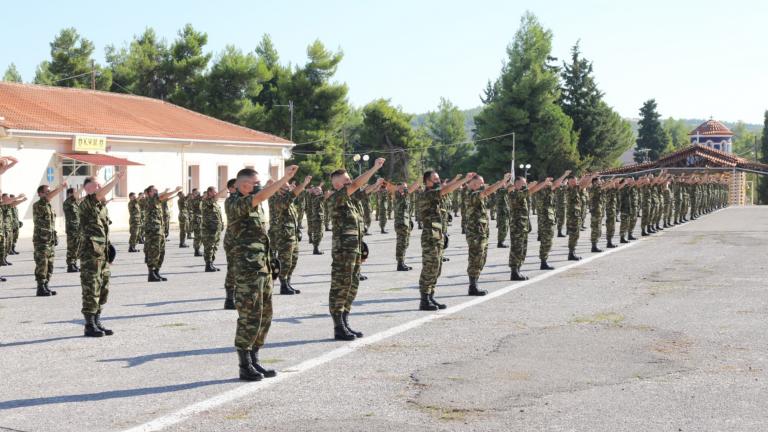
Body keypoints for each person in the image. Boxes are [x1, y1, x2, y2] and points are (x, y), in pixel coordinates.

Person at [230, 165, 298, 381]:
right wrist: (283, 179)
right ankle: (244, 365)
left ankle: (255, 359)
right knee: (249, 317)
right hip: (247, 270)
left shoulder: (256, 202)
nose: (258, 186)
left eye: (258, 183)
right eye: (255, 183)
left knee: (264, 316)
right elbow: (261, 196)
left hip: (262, 268)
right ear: (243, 185)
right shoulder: (234, 202)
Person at [328, 159, 386, 340]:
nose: (349, 182)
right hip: (343, 251)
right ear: (338, 184)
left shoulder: (351, 199)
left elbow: (364, 191)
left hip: (354, 250)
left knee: (352, 286)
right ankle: (338, 326)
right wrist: (374, 168)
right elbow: (355, 185)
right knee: (341, 287)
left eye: (349, 179)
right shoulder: (336, 198)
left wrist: (376, 184)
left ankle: (345, 322)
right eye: (346, 181)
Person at [418, 170, 475, 311]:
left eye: (438, 179)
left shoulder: (437, 195)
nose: (438, 181)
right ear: (427, 182)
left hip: (438, 236)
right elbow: (447, 188)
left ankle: (431, 296)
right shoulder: (427, 194)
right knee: (429, 268)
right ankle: (424, 300)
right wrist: (463, 180)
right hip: (430, 238)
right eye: (435, 180)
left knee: (437, 268)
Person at [80, 172, 123, 337]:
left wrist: (109, 248)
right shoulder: (86, 203)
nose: (99, 187)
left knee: (103, 288)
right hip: (90, 255)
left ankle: (97, 321)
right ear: (87, 188)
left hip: (102, 254)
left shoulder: (101, 207)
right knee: (91, 288)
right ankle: (89, 325)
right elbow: (99, 194)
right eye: (96, 184)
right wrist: (116, 180)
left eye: (100, 185)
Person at [464, 173, 511, 296]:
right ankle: (472, 286)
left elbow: (487, 194)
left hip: (481, 233)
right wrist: (502, 181)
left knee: (481, 259)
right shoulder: (471, 194)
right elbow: (487, 191)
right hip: (475, 234)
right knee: (475, 259)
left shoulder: (478, 195)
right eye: (480, 183)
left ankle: (474, 284)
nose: (483, 185)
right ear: (474, 184)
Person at [273, 175, 312, 295]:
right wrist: (303, 184)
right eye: (286, 187)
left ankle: (288, 283)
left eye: (288, 186)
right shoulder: (278, 200)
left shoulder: (288, 201)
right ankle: (283, 285)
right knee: (285, 261)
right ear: (279, 189)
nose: (289, 188)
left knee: (292, 261)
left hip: (292, 235)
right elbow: (291, 196)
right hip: (284, 237)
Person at [33, 181, 67, 296]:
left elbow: (50, 224)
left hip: (49, 240)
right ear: (40, 194)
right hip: (41, 240)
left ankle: (46, 285)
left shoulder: (49, 206)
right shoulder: (39, 205)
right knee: (42, 264)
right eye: (46, 192)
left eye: (49, 191)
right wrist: (60, 188)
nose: (49, 193)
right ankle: (40, 287)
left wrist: (54, 235)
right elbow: (49, 197)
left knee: (50, 264)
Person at [144, 185, 182, 282]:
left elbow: (164, 197)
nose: (156, 191)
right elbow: (162, 196)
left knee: (161, 252)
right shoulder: (150, 200)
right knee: (154, 252)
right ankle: (151, 274)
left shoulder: (157, 201)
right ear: (149, 193)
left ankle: (156, 272)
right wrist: (175, 190)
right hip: (153, 231)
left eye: (156, 189)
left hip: (159, 231)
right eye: (154, 190)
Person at [536, 171, 570, 270]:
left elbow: (556, 185)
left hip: (549, 219)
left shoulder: (547, 190)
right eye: (549, 181)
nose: (551, 182)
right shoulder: (542, 190)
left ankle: (544, 261)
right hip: (545, 220)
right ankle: (543, 262)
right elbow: (556, 184)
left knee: (548, 241)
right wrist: (564, 175)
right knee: (546, 242)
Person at [390, 180, 420, 271]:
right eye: (404, 187)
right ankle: (400, 264)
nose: (406, 189)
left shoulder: (404, 197)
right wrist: (419, 181)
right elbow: (411, 189)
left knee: (405, 243)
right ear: (399, 188)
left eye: (406, 187)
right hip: (400, 224)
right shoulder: (398, 195)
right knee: (401, 244)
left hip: (405, 223)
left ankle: (402, 262)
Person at [508, 177, 533, 281]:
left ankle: (518, 269)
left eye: (525, 184)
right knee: (516, 249)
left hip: (523, 225)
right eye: (523, 184)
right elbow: (527, 192)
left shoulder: (521, 194)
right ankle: (514, 272)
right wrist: (533, 186)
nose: (524, 186)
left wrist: (528, 223)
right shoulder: (513, 194)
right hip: (517, 226)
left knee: (522, 249)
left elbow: (525, 211)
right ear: (516, 184)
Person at [201, 186, 227, 272]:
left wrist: (221, 225)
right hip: (209, 229)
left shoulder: (215, 203)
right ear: (209, 192)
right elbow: (216, 197)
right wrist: (225, 188)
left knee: (215, 246)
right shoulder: (206, 201)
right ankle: (208, 265)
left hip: (216, 228)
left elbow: (218, 216)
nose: (216, 194)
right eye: (214, 192)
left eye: (216, 192)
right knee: (209, 247)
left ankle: (211, 263)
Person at [222, 178, 238, 310]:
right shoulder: (231, 200)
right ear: (231, 189)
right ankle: (229, 298)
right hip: (233, 241)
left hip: (242, 241)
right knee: (233, 269)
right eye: (237, 186)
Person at [63, 187, 83, 273]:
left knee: (77, 247)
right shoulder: (67, 202)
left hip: (77, 229)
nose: (77, 195)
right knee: (72, 247)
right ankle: (70, 265)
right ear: (69, 194)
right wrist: (83, 187)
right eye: (75, 193)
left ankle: (74, 264)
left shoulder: (75, 203)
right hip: (71, 229)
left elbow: (82, 198)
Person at [307, 185, 326, 255]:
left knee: (319, 234)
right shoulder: (316, 198)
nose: (319, 192)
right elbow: (324, 197)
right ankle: (316, 249)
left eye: (320, 190)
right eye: (317, 191)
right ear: (314, 192)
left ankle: (316, 248)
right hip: (317, 218)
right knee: (318, 234)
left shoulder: (316, 197)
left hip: (318, 218)